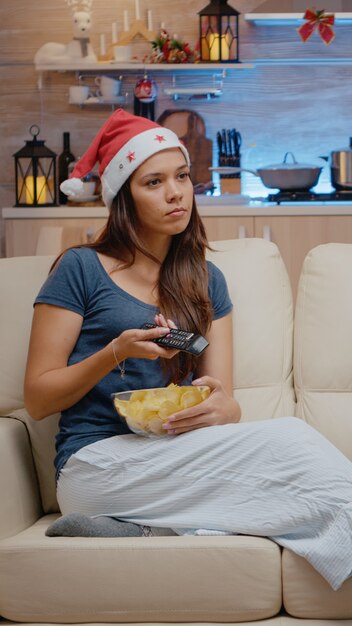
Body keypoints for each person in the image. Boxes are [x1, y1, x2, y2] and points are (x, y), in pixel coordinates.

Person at [24, 109, 352, 591]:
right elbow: (36, 399)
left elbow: (227, 400)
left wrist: (214, 406)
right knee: (294, 441)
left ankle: (148, 530)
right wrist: (114, 352)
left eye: (181, 177)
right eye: (153, 182)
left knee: (296, 475)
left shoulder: (206, 280)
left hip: (171, 456)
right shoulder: (80, 269)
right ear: (123, 198)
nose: (175, 193)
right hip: (94, 464)